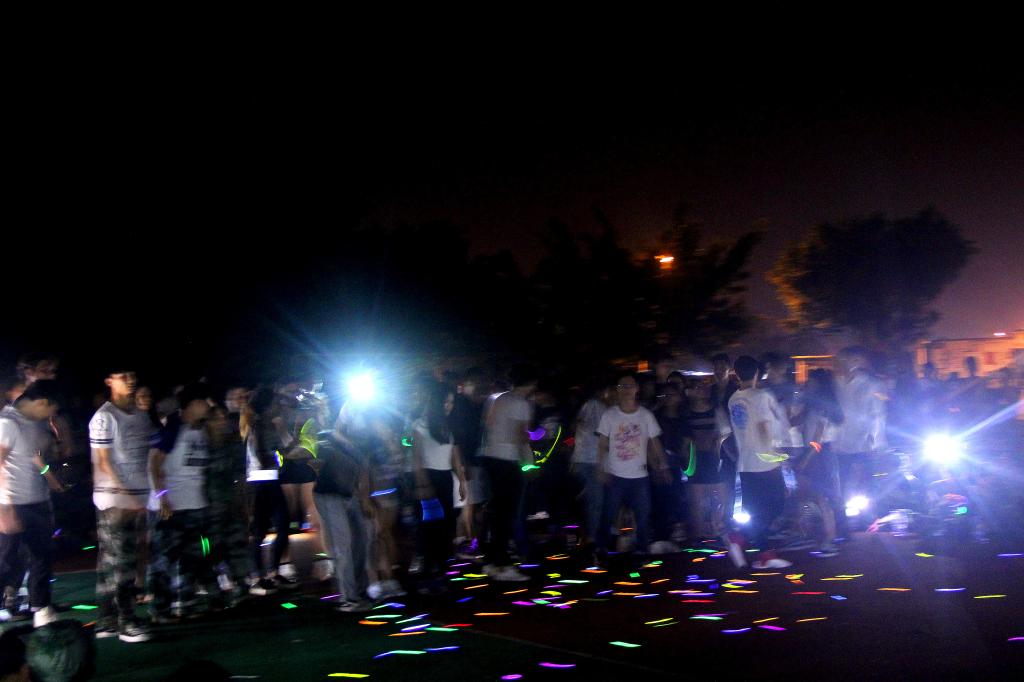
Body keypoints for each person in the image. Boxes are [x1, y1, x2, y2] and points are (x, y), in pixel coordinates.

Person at [89, 367, 161, 642]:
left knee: (111, 562)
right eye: (123, 377)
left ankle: (107, 620)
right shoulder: (105, 417)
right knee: (122, 562)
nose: (130, 382)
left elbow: (150, 453)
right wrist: (127, 496)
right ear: (109, 381)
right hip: (115, 499)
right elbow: (104, 462)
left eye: (132, 376)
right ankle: (126, 621)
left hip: (136, 496)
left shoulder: (140, 416)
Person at [147, 384, 221, 621]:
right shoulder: (173, 427)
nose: (208, 406)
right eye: (204, 402)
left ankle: (185, 602)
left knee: (192, 556)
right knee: (165, 559)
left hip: (195, 504)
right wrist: (162, 497)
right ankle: (160, 608)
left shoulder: (200, 429)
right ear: (191, 404)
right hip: (172, 507)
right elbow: (154, 464)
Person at [0, 381, 65, 629]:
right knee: (7, 561)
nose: (51, 416)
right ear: (41, 403)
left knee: (41, 556)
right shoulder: (8, 422)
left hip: (38, 500)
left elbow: (34, 457)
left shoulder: (35, 423)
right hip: (13, 504)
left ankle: (40, 607)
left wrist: (50, 478)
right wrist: (5, 509)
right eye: (51, 410)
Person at [728, 356, 792, 570]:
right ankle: (742, 541)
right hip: (765, 461)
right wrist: (776, 454)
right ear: (757, 373)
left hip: (746, 462)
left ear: (736, 374)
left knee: (757, 510)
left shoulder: (733, 399)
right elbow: (764, 427)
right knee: (776, 503)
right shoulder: (761, 396)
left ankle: (759, 551)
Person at [596, 373, 670, 556]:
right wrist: (600, 467)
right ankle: (601, 548)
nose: (627, 390)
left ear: (637, 389)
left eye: (630, 386)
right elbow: (602, 444)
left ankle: (641, 550)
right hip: (615, 474)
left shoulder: (645, 415)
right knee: (608, 513)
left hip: (639, 476)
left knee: (643, 516)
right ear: (617, 390)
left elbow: (655, 442)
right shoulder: (609, 415)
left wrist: (663, 466)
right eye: (623, 386)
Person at [479, 364, 537, 582]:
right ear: (532, 383)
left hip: (490, 457)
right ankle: (503, 564)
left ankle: (492, 561)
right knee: (506, 513)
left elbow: (488, 425)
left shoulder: (496, 398)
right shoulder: (522, 403)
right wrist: (529, 464)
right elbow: (520, 436)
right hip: (508, 460)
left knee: (496, 512)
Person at [412, 385, 466, 591]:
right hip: (430, 477)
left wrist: (461, 481)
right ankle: (428, 573)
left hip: (445, 478)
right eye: (445, 402)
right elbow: (417, 458)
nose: (448, 406)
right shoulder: (421, 424)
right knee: (430, 528)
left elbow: (455, 457)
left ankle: (441, 572)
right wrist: (422, 484)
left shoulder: (448, 426)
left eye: (451, 402)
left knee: (446, 527)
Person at [240, 388, 294, 595]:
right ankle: (257, 577)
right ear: (267, 405)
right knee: (259, 531)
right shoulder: (255, 425)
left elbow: (286, 447)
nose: (278, 406)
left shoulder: (270, 424)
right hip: (258, 482)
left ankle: (272, 572)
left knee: (282, 525)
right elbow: (262, 454)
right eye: (275, 403)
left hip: (271, 479)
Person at [312, 429, 374, 612]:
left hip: (349, 494)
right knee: (344, 545)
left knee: (362, 539)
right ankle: (348, 599)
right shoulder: (334, 439)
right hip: (328, 495)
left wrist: (364, 500)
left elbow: (364, 472)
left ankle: (360, 591)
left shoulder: (365, 444)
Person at [834, 347, 887, 539]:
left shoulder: (871, 384)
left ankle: (869, 519)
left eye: (843, 360)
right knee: (842, 484)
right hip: (841, 444)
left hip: (864, 444)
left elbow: (877, 415)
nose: (838, 364)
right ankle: (844, 523)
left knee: (867, 483)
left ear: (855, 361)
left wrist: (874, 442)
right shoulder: (836, 384)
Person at [797, 369, 843, 557]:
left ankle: (829, 539)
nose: (807, 384)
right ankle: (825, 536)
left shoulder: (822, 408)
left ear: (819, 384)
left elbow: (818, 439)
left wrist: (806, 459)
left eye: (811, 382)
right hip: (819, 453)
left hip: (819, 454)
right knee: (817, 496)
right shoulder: (814, 406)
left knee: (823, 498)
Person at [449, 369, 489, 558]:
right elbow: (461, 437)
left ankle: (474, 541)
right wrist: (464, 463)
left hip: (476, 460)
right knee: (470, 504)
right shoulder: (462, 404)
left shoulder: (474, 405)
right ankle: (471, 542)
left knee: (473, 504)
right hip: (470, 460)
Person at [570, 379, 614, 552]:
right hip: (591, 460)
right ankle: (591, 539)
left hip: (588, 459)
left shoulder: (591, 406)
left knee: (593, 499)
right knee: (595, 500)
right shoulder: (596, 405)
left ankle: (591, 536)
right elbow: (600, 434)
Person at [682, 377, 726, 544]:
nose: (702, 390)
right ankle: (698, 537)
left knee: (719, 500)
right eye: (697, 387)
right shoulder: (686, 414)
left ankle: (716, 533)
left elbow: (725, 433)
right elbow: (684, 442)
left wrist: (717, 444)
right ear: (690, 392)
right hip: (695, 461)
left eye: (704, 386)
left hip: (715, 459)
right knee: (697, 503)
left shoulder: (716, 410)